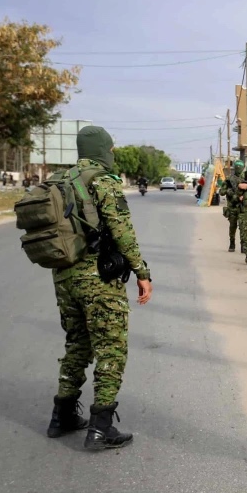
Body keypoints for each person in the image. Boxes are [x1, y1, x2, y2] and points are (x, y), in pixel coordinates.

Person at [46, 125, 153, 451]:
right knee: (111, 349)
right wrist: (141, 272)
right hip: (98, 279)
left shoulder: (58, 181)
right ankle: (100, 428)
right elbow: (121, 230)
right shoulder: (103, 180)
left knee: (77, 343)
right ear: (104, 149)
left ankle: (61, 417)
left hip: (64, 277)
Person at [221, 161, 245, 252]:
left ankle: (243, 245)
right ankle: (232, 243)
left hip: (242, 207)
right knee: (232, 226)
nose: (239, 169)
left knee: (243, 227)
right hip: (232, 207)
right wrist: (229, 192)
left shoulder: (245, 178)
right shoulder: (229, 179)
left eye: (240, 167)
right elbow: (222, 192)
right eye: (237, 167)